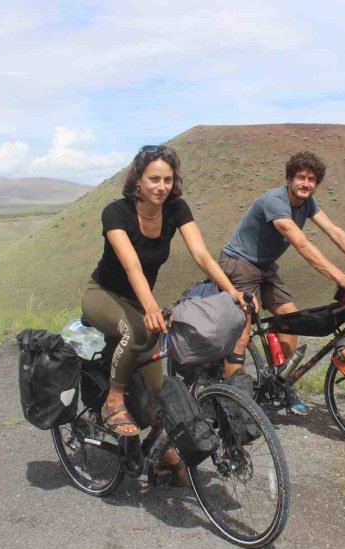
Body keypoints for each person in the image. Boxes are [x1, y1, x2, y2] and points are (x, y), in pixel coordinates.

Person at [82, 144, 246, 484]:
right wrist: (152, 308)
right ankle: (112, 401)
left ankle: (160, 454)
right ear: (138, 181)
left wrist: (231, 291)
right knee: (140, 332)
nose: (161, 186)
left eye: (167, 179)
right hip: (104, 294)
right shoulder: (116, 212)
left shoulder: (175, 209)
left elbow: (201, 254)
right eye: (154, 179)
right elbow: (132, 267)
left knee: (159, 394)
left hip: (138, 301)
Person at [219, 151, 345, 415]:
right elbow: (301, 243)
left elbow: (334, 232)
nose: (306, 184)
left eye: (312, 179)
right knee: (241, 333)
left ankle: (281, 385)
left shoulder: (308, 203)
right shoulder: (275, 201)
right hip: (239, 264)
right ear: (289, 179)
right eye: (301, 177)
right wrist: (340, 277)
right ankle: (232, 406)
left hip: (265, 267)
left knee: (291, 319)